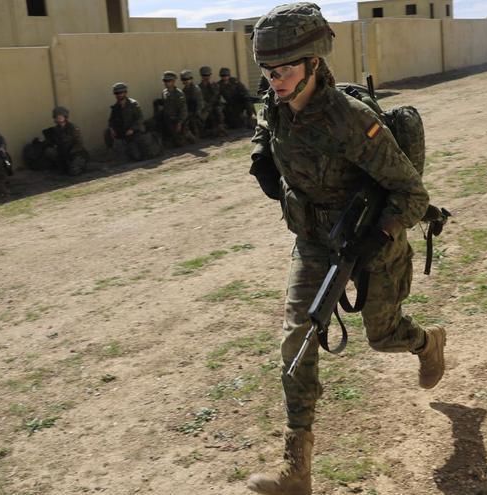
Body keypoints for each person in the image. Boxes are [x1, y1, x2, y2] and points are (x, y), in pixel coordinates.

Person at [246, 4, 446, 494]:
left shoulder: (350, 120)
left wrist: (378, 235)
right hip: (314, 243)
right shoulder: (275, 107)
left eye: (286, 69)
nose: (276, 80)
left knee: (383, 336)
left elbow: (412, 195)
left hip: (372, 241)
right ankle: (297, 469)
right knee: (298, 337)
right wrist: (261, 157)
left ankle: (428, 343)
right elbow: (265, 130)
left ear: (315, 63)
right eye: (269, 72)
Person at [104, 82, 152, 161]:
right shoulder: (116, 107)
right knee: (107, 132)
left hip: (134, 132)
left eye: (121, 92)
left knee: (137, 156)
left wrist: (132, 129)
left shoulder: (133, 104)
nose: (119, 95)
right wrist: (112, 129)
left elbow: (140, 119)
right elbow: (111, 120)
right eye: (116, 93)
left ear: (125, 92)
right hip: (123, 131)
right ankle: (111, 152)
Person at [37, 106, 89, 175]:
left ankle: (80, 165)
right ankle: (59, 165)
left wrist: (69, 153)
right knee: (49, 151)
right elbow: (52, 143)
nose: (58, 118)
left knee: (73, 172)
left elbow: (79, 144)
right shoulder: (55, 130)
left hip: (75, 153)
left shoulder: (73, 128)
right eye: (56, 117)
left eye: (60, 116)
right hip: (62, 153)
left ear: (65, 117)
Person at [160, 71, 190, 147]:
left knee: (179, 143)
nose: (166, 83)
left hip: (176, 120)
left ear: (173, 82)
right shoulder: (164, 92)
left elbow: (183, 110)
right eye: (165, 81)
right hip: (167, 119)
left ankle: (188, 134)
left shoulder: (179, 94)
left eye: (168, 81)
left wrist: (179, 123)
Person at [198, 66, 227, 138]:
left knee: (218, 111)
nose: (206, 77)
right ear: (201, 76)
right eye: (204, 75)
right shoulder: (198, 87)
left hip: (214, 106)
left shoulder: (214, 86)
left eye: (208, 75)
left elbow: (217, 97)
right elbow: (200, 100)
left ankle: (220, 127)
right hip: (205, 107)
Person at [180, 69, 204, 142]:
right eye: (184, 79)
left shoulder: (196, 89)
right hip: (189, 111)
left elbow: (200, 102)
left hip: (197, 112)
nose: (186, 81)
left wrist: (198, 112)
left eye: (187, 79)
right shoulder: (183, 91)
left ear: (191, 79)